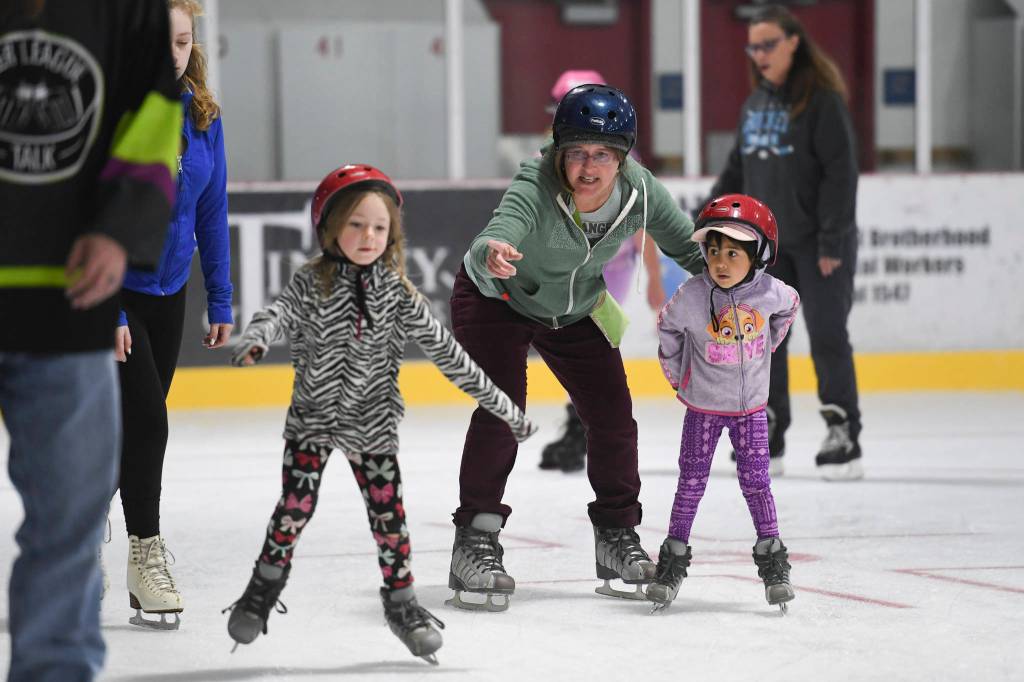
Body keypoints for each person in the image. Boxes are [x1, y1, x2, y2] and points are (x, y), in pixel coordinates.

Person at [222, 164, 537, 664]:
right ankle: (260, 593)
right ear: (329, 227)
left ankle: (402, 605)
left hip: (372, 426)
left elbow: (450, 357)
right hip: (314, 422)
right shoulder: (310, 282)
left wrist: (503, 408)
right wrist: (258, 337)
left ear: (392, 234)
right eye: (355, 224)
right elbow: (275, 314)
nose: (367, 236)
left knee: (390, 520)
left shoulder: (396, 293)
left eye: (378, 227)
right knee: (293, 511)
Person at [447, 84, 705, 612]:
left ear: (622, 157)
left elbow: (688, 245)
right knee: (504, 412)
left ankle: (615, 536)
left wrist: (737, 277)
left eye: (603, 155)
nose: (589, 167)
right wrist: (490, 252)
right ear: (559, 151)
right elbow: (497, 232)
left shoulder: (640, 191)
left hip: (572, 307)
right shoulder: (535, 183)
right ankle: (474, 541)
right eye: (578, 153)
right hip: (497, 296)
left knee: (613, 416)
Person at [0, 0, 181, 678]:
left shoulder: (127, 9)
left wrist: (119, 229)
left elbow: (156, 112)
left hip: (70, 301)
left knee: (70, 523)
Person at [106, 0, 233, 630]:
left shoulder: (203, 117)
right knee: (149, 423)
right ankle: (145, 556)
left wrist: (221, 296)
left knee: (125, 438)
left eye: (181, 42)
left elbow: (212, 212)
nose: (172, 54)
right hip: (111, 292)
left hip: (168, 293)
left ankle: (69, 540)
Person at [707, 4, 862, 480]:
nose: (759, 54)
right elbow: (738, 168)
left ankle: (843, 431)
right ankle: (768, 429)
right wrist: (714, 216)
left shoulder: (821, 101)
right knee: (763, 340)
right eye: (753, 46)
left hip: (819, 245)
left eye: (768, 44)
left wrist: (833, 239)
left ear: (794, 42)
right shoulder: (755, 105)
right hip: (770, 249)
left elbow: (841, 172)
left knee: (828, 336)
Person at [649, 194, 800, 614]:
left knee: (757, 482)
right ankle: (672, 561)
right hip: (702, 410)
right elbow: (667, 328)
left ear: (758, 256)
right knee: (691, 482)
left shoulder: (771, 293)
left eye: (733, 252)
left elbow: (789, 308)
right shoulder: (693, 296)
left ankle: (773, 562)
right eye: (713, 250)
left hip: (751, 410)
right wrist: (681, 377)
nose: (720, 261)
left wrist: (767, 346)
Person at [538, 69, 676, 474]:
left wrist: (653, 277)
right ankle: (580, 423)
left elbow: (642, 222)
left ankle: (583, 427)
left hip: (608, 267)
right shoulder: (549, 156)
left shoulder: (622, 161)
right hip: (567, 266)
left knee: (588, 343)